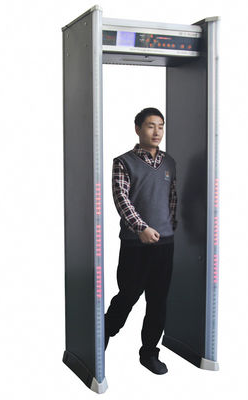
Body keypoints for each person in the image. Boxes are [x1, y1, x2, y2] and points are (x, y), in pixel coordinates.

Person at [104, 107, 178, 375]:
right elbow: (121, 199)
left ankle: (149, 353)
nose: (157, 131)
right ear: (138, 129)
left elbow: (172, 199)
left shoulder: (170, 163)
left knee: (158, 302)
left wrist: (170, 228)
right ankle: (102, 336)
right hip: (136, 244)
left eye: (161, 126)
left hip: (164, 245)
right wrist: (141, 227)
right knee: (128, 295)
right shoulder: (123, 162)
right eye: (150, 126)